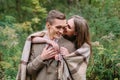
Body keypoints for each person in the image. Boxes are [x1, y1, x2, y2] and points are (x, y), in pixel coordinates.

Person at [16, 10, 76, 80]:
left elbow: (74, 74)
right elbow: (28, 71)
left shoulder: (69, 46)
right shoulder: (35, 44)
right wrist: (42, 58)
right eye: (58, 27)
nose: (61, 31)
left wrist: (67, 59)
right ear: (48, 25)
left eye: (63, 27)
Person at [31, 15, 92, 80]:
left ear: (75, 33)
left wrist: (68, 57)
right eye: (66, 23)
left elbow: (79, 74)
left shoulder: (82, 48)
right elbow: (32, 38)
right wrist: (50, 42)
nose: (64, 27)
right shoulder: (55, 35)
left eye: (68, 27)